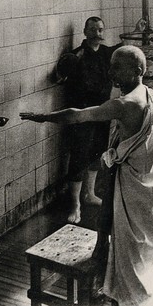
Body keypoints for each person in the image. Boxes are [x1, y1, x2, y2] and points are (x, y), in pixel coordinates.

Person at [20, 45, 153, 306]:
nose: (110, 71)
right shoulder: (149, 94)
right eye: (111, 65)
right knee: (131, 244)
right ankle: (122, 289)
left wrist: (43, 117)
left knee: (131, 249)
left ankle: (129, 302)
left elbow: (79, 116)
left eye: (117, 67)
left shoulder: (126, 103)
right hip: (143, 185)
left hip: (136, 184)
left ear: (138, 71)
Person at [55, 16, 120, 224]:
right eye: (92, 29)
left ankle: (89, 194)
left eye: (100, 29)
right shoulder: (76, 55)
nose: (97, 33)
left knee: (97, 152)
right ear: (84, 32)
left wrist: (137, 30)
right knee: (78, 156)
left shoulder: (108, 53)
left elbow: (125, 48)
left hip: (101, 112)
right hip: (82, 115)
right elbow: (58, 76)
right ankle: (75, 205)